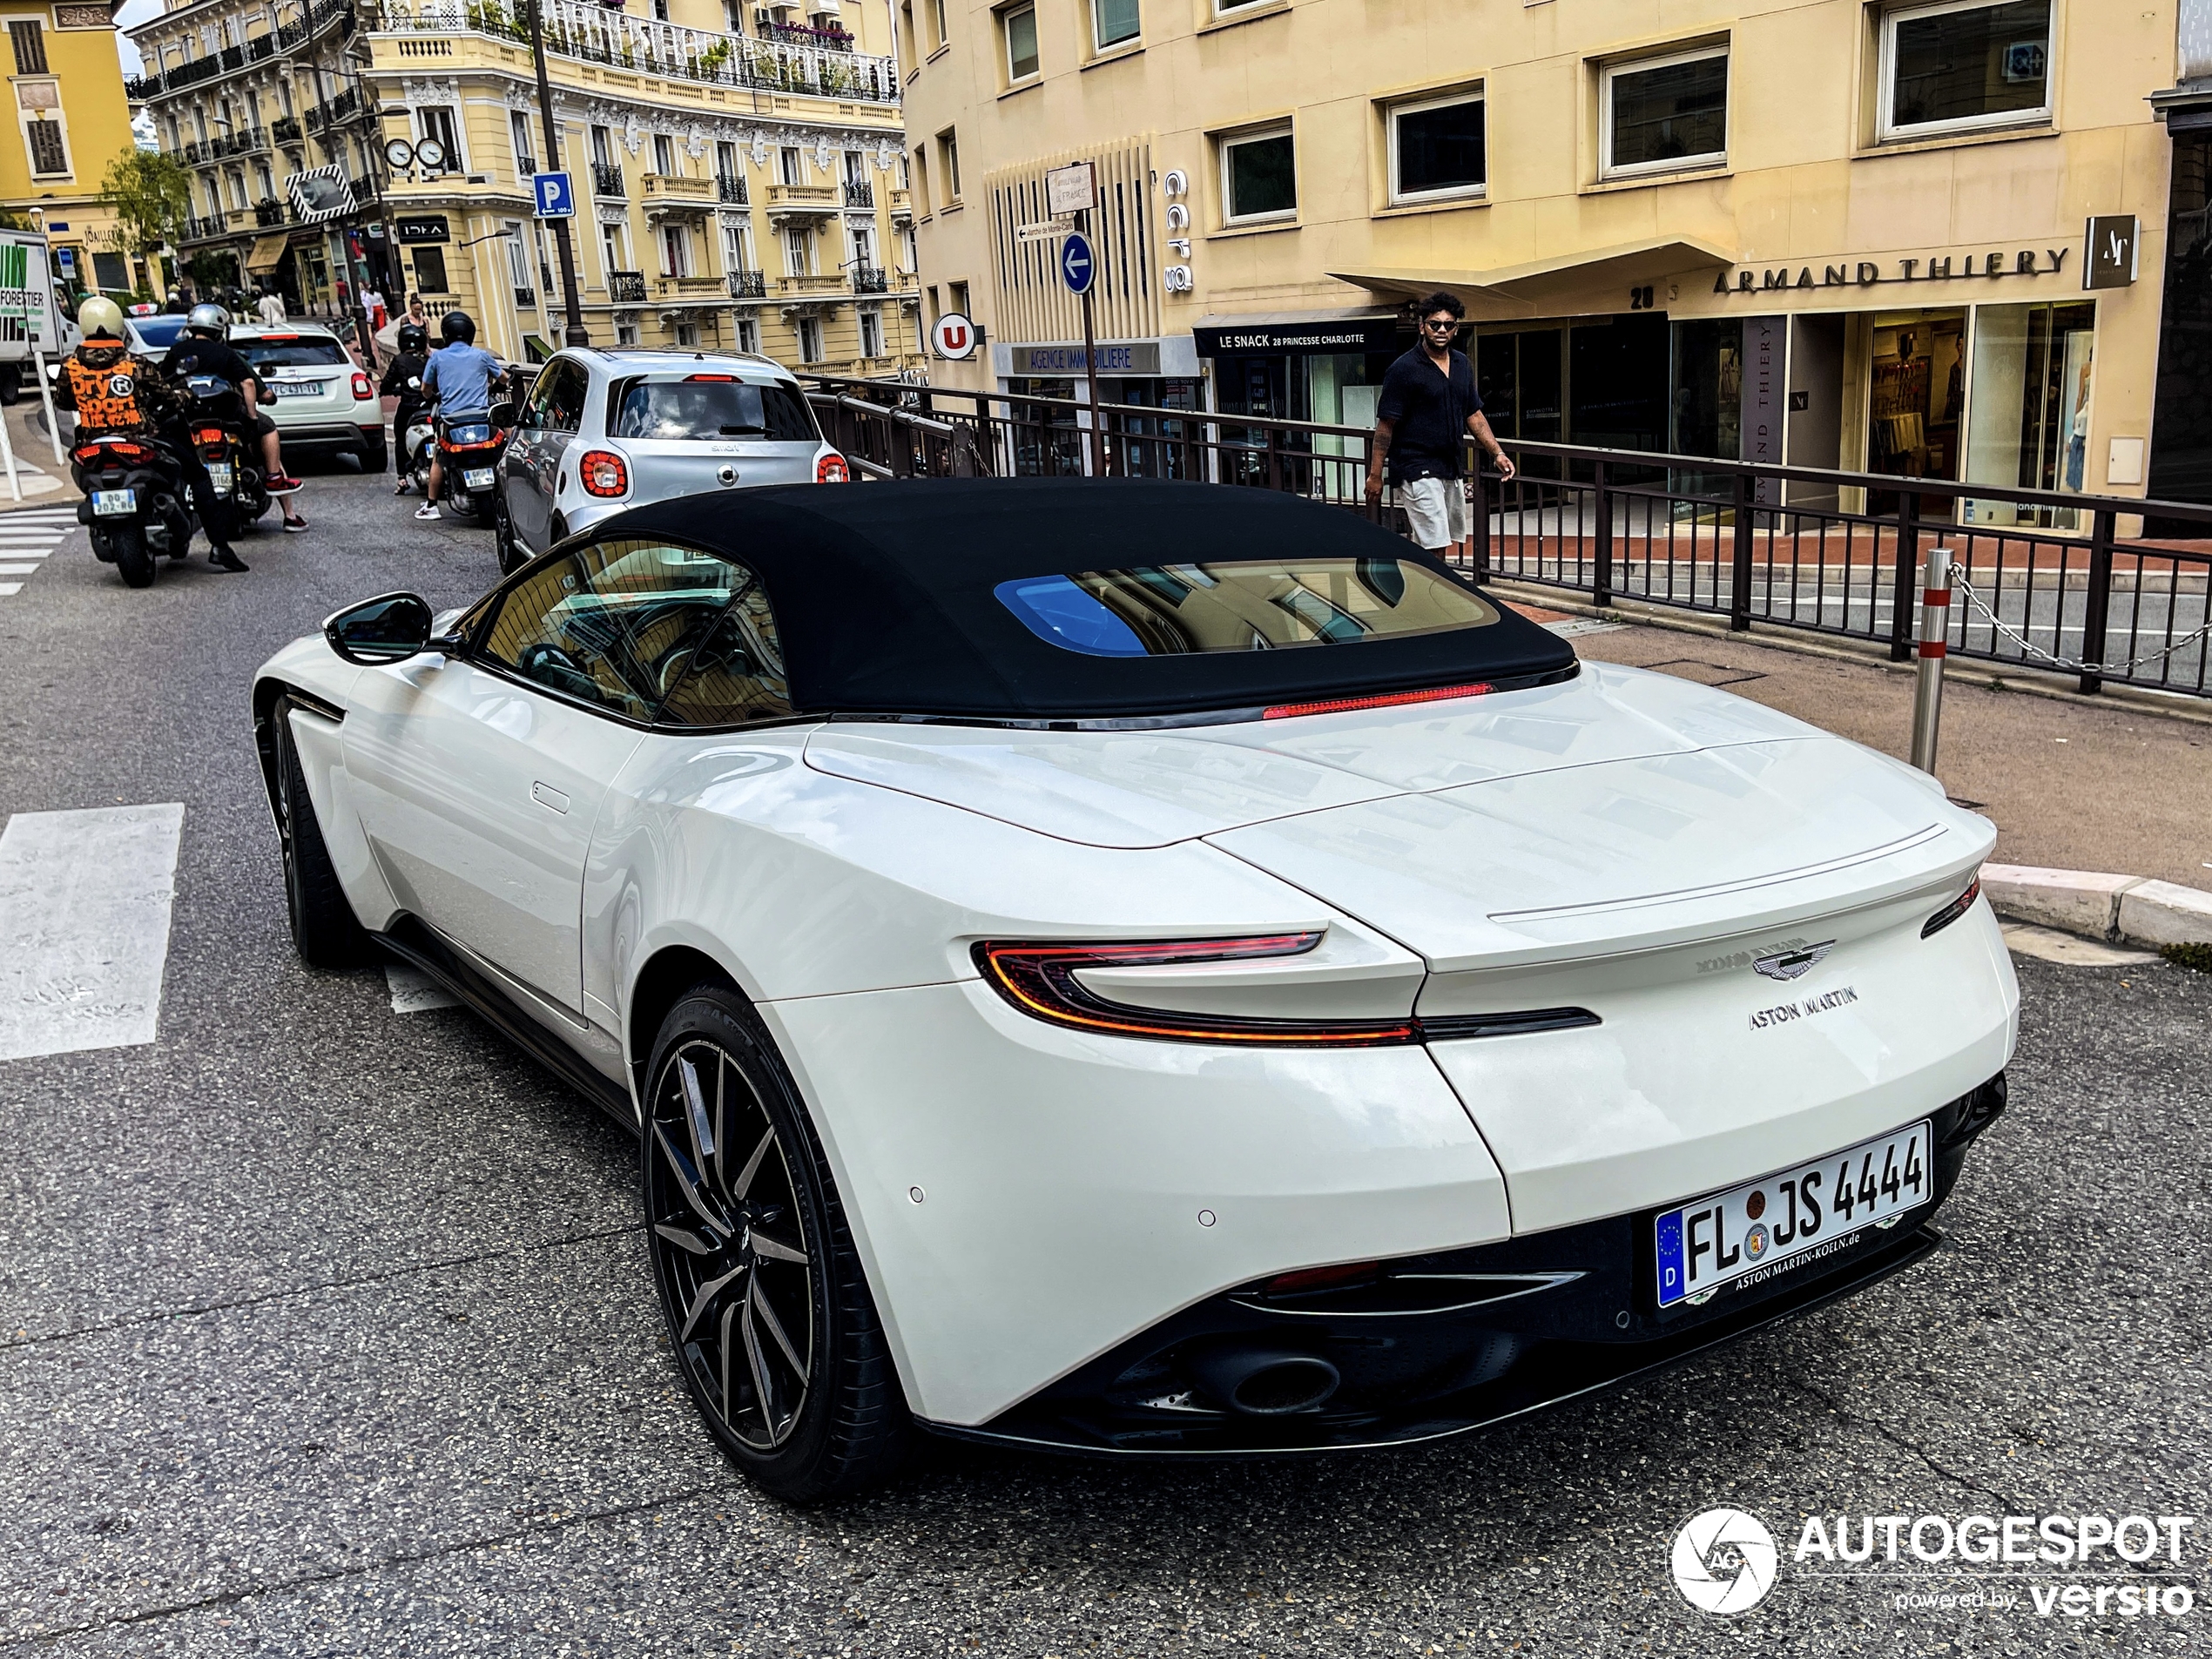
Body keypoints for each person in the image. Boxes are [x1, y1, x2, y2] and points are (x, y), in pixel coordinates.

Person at [57, 296, 250, 572]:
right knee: (198, 474)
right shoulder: (135, 363)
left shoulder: (70, 365)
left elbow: (63, 402)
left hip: (94, 443)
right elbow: (167, 398)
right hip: (141, 439)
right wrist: (183, 396)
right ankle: (220, 546)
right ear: (118, 326)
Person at [1362, 291, 1514, 558]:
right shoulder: (1404, 369)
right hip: (1414, 466)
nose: (1442, 330)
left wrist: (1497, 453)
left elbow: (1474, 415)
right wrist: (1376, 475)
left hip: (1450, 465)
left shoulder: (1461, 364)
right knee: (1435, 542)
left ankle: (1425, 589)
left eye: (1449, 324)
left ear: (1456, 329)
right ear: (1422, 327)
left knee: (1442, 539)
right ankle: (1438, 595)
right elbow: (1385, 426)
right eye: (1435, 324)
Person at [167, 302, 309, 533]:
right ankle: (285, 503)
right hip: (229, 419)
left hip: (189, 420)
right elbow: (251, 384)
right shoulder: (226, 354)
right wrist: (253, 415)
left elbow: (163, 383)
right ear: (219, 329)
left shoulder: (176, 352)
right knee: (269, 428)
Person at [415, 309, 504, 522]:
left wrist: (434, 395)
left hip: (451, 421)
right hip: (482, 419)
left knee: (439, 457)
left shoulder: (438, 357)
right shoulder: (481, 355)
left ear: (446, 334)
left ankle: (432, 505)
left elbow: (425, 388)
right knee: (505, 444)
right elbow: (504, 378)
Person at [381, 320, 429, 495]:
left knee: (400, 437)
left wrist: (385, 390)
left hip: (409, 407)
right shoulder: (429, 360)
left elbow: (387, 382)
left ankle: (402, 477)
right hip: (431, 405)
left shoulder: (399, 360)